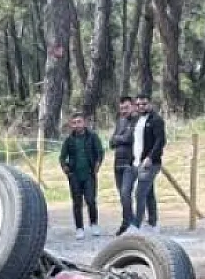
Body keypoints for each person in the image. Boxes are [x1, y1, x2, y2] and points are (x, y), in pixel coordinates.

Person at [58, 112, 105, 239]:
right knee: (77, 202)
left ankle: (94, 224)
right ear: (71, 125)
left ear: (84, 123)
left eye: (79, 122)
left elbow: (100, 152)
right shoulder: (69, 140)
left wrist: (98, 164)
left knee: (91, 200)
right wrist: (66, 169)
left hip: (89, 174)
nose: (77, 125)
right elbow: (62, 157)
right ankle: (79, 228)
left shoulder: (92, 137)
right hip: (74, 176)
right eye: (74, 123)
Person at [131, 94, 167, 232]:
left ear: (150, 104)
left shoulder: (156, 120)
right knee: (149, 193)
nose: (141, 107)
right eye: (138, 104)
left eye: (144, 104)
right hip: (137, 162)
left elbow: (160, 141)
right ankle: (153, 223)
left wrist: (150, 157)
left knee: (139, 193)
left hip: (150, 163)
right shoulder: (137, 120)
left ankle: (137, 225)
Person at [110, 96, 138, 235]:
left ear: (133, 106)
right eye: (121, 108)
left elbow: (129, 138)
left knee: (126, 193)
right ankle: (128, 221)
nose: (123, 111)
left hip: (130, 163)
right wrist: (119, 138)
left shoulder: (137, 121)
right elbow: (111, 142)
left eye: (126, 107)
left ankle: (129, 223)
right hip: (118, 163)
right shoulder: (120, 121)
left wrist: (118, 138)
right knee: (122, 195)